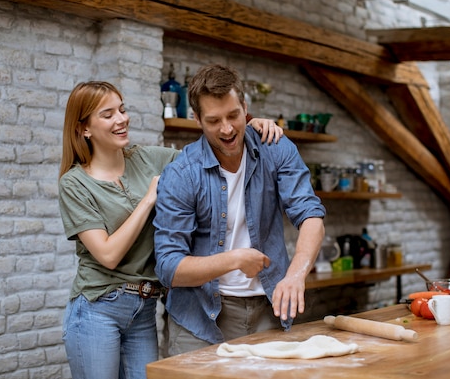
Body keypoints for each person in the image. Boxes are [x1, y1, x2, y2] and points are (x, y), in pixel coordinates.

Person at [58, 80, 282, 379]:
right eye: (108, 114)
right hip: (98, 308)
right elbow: (108, 255)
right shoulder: (74, 183)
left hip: (145, 307)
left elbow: (212, 151)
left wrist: (252, 125)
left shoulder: (150, 158)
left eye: (122, 110)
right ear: (84, 128)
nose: (121, 119)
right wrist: (149, 199)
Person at [153, 64, 326, 356]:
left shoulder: (276, 148)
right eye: (213, 120)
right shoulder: (182, 173)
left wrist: (296, 275)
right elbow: (169, 267)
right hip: (198, 319)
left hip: (267, 309)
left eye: (233, 115)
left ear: (245, 107)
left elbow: (311, 216)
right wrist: (234, 259)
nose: (227, 128)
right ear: (196, 119)